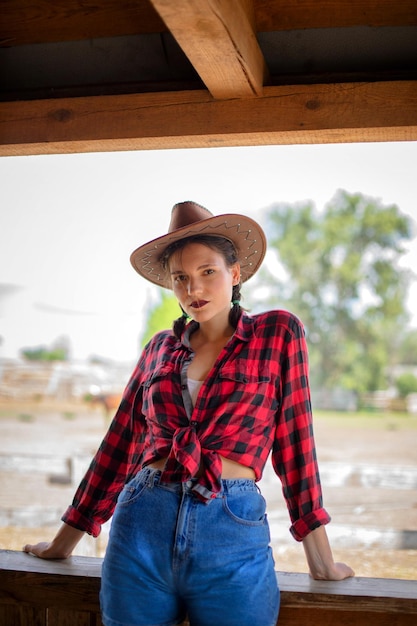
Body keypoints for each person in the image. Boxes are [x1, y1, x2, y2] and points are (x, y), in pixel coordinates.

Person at [24, 201, 354, 626]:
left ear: (235, 274)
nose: (192, 289)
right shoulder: (159, 348)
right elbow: (118, 446)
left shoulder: (278, 332)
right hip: (141, 524)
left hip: (231, 533)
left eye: (207, 272)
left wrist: (321, 562)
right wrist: (61, 545)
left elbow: (296, 447)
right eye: (180, 278)